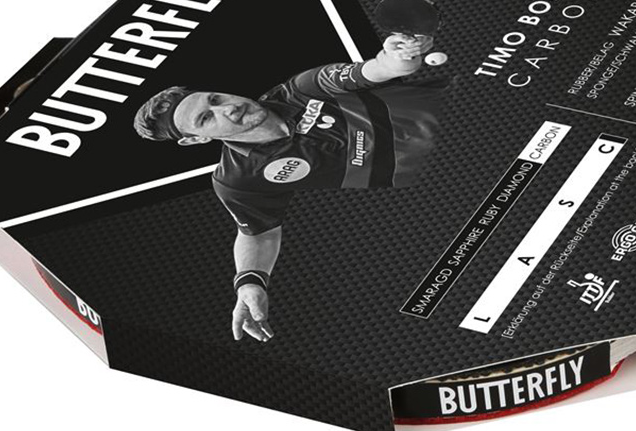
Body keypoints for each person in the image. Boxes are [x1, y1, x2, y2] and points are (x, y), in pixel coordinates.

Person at [134, 32, 446, 343]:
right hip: (443, 181)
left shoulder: (303, 88)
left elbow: (376, 69)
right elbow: (258, 233)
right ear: (196, 140)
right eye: (206, 118)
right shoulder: (239, 179)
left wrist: (399, 56)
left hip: (458, 120)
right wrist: (250, 283)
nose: (228, 109)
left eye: (215, 99)